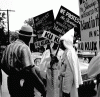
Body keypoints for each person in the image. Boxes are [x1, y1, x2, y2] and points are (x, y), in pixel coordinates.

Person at [1, 24, 46, 97]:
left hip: (11, 82)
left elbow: (2, 65)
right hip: (23, 83)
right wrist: (42, 88)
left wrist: (12, 74)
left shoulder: (9, 46)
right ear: (27, 38)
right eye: (30, 38)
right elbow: (30, 71)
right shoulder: (24, 48)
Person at [59, 29, 83, 97]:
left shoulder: (70, 53)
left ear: (66, 42)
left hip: (69, 85)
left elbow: (70, 72)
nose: (60, 44)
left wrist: (66, 90)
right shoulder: (66, 52)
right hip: (65, 82)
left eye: (62, 42)